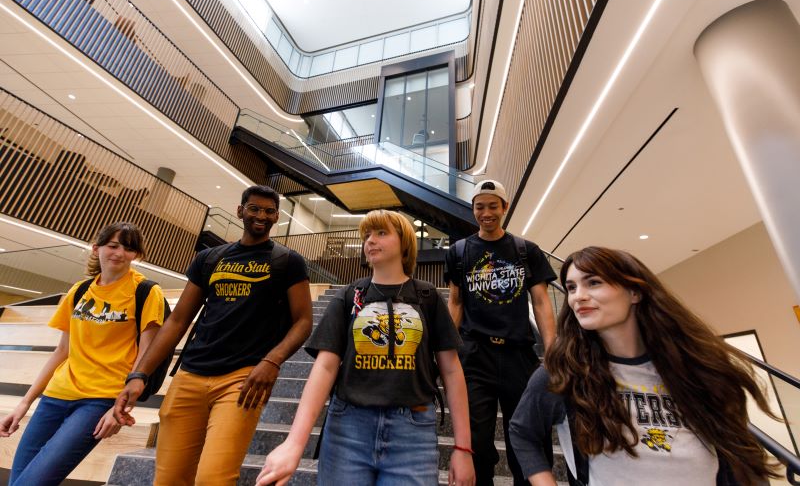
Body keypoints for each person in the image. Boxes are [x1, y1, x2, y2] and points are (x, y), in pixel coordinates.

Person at [509, 246, 779, 485]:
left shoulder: (701, 370)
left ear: (635, 291)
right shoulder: (564, 372)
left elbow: (741, 455)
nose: (578, 296)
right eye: (571, 287)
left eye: (593, 283)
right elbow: (522, 431)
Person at [256, 209, 475, 486]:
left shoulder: (428, 297)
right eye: (367, 235)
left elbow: (452, 371)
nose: (370, 240)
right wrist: (295, 442)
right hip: (348, 427)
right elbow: (324, 367)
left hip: (413, 431)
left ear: (405, 242)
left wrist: (463, 448)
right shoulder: (348, 295)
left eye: (381, 233)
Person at [113, 184, 313, 485]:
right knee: (168, 479)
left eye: (270, 211)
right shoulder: (210, 258)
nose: (261, 215)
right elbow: (178, 320)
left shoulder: (287, 261)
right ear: (240, 211)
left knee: (213, 479)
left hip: (242, 380)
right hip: (190, 376)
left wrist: (272, 361)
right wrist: (139, 374)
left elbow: (304, 321)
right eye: (255, 208)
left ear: (276, 218)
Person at [0, 222, 165, 486]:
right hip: (55, 395)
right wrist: (24, 404)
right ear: (96, 248)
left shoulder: (146, 292)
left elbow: (146, 358)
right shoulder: (78, 291)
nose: (120, 253)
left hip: (99, 400)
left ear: (137, 255)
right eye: (113, 245)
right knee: (19, 481)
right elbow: (62, 351)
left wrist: (118, 409)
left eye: (129, 248)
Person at [445, 179, 556, 486]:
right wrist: (445, 352)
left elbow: (543, 302)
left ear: (505, 208)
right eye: (480, 207)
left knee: (527, 434)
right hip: (475, 354)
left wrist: (554, 352)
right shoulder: (458, 253)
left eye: (493, 206)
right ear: (473, 210)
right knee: (476, 440)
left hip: (518, 355)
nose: (486, 213)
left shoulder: (526, 251)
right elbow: (455, 303)